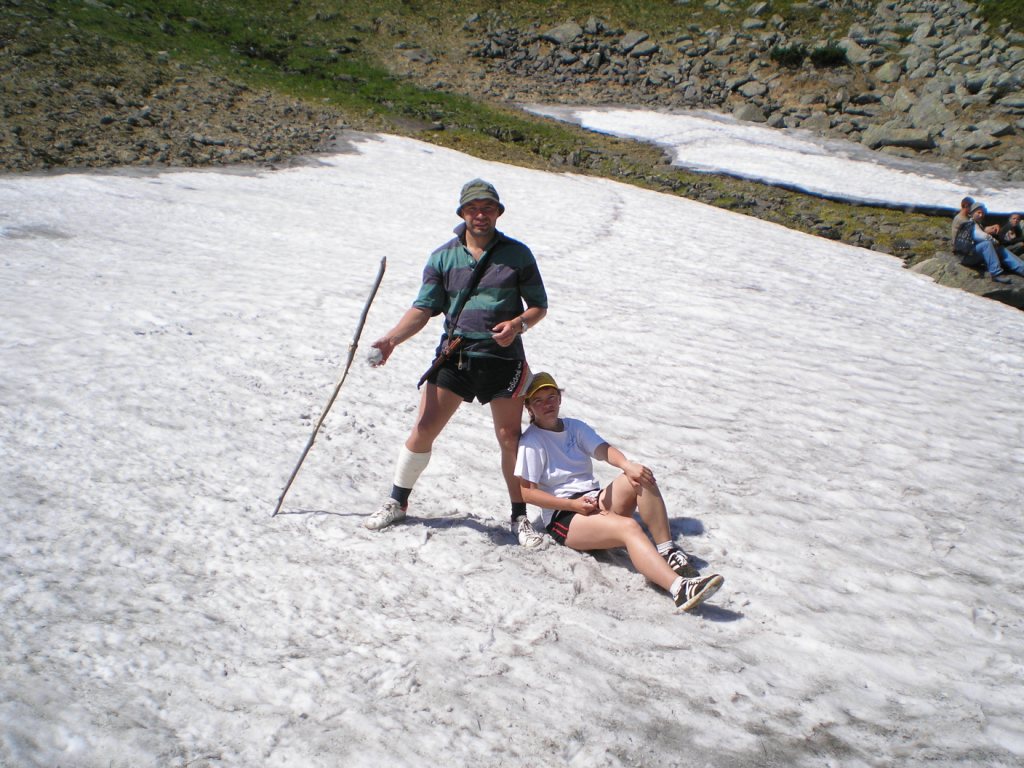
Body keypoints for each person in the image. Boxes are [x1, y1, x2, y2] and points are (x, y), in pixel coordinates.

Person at [364, 179, 549, 547]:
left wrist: (517, 325)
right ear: (462, 213)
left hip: (503, 359)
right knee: (423, 429)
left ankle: (520, 517)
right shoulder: (442, 257)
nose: (480, 215)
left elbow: (538, 306)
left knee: (509, 438)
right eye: (473, 208)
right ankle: (397, 501)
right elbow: (424, 308)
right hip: (456, 357)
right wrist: (391, 339)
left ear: (498, 212)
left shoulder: (518, 255)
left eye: (487, 208)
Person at [514, 372, 725, 613]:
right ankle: (680, 588)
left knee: (640, 476)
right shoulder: (532, 441)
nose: (547, 404)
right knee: (629, 527)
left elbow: (603, 450)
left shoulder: (574, 427)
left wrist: (627, 465)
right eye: (538, 400)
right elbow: (527, 493)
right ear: (529, 407)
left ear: (560, 399)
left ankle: (667, 551)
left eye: (551, 397)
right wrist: (572, 505)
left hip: (594, 498)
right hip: (565, 516)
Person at [963, 201, 1024, 284]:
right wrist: (995, 241)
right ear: (972, 213)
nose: (981, 215)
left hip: (973, 253)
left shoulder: (977, 224)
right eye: (978, 213)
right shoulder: (970, 224)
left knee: (999, 248)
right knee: (987, 244)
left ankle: (1022, 268)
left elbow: (981, 232)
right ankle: (996, 273)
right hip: (966, 256)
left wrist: (988, 230)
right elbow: (982, 236)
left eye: (982, 213)